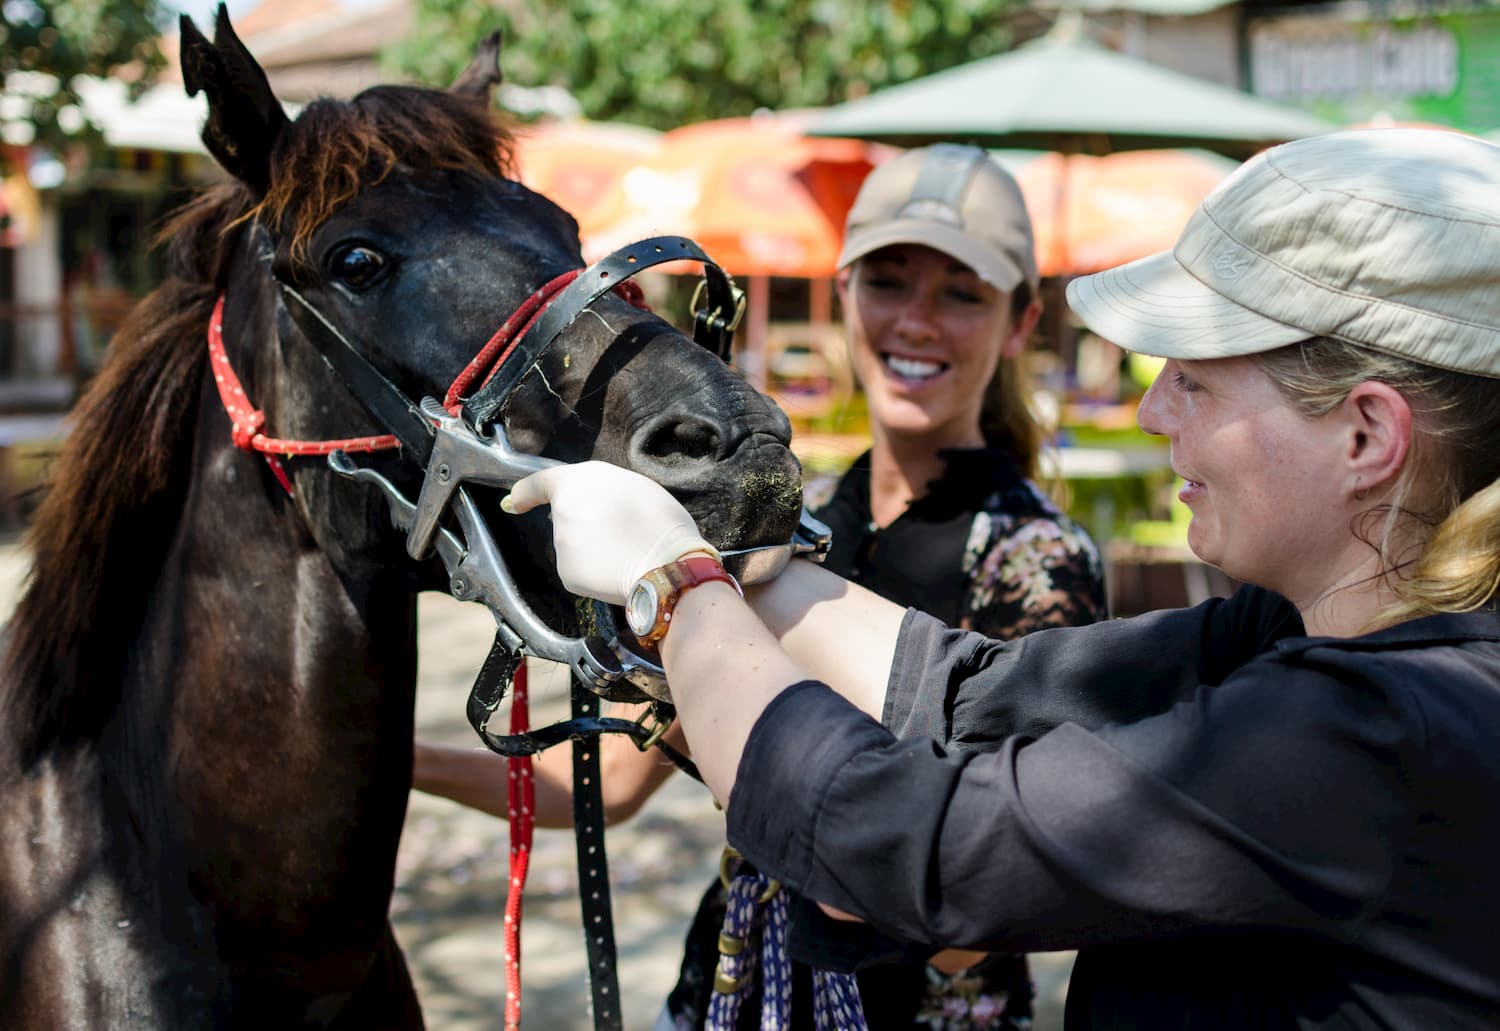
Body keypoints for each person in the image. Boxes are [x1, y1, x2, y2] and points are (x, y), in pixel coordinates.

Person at [502, 128, 1500, 1027]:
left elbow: (897, 845)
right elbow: (970, 687)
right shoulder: (1292, 628)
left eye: (1194, 374)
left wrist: (672, 584)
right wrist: (721, 544)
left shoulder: (1370, 728)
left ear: (1367, 432)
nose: (1153, 414)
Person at [415, 144, 1107, 1029]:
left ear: (1020, 322)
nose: (918, 321)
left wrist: (779, 771)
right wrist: (400, 764)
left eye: (963, 293)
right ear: (845, 291)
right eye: (889, 281)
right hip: (726, 998)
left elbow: (986, 908)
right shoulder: (787, 521)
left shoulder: (1036, 560)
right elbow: (615, 783)